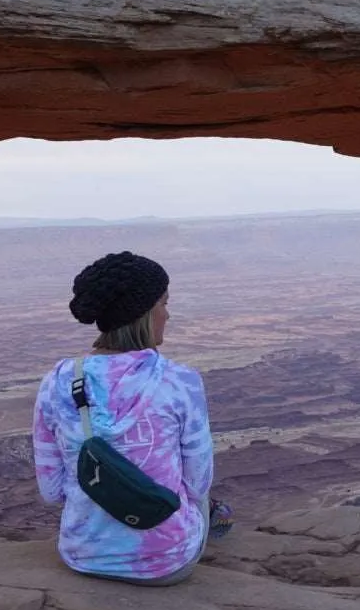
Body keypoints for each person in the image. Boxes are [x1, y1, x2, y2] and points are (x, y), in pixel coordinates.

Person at [32, 251, 226, 586]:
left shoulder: (58, 381)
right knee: (206, 500)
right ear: (146, 312)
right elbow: (198, 484)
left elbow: (51, 491)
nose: (169, 314)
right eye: (164, 303)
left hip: (82, 556)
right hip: (166, 565)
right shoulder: (181, 382)